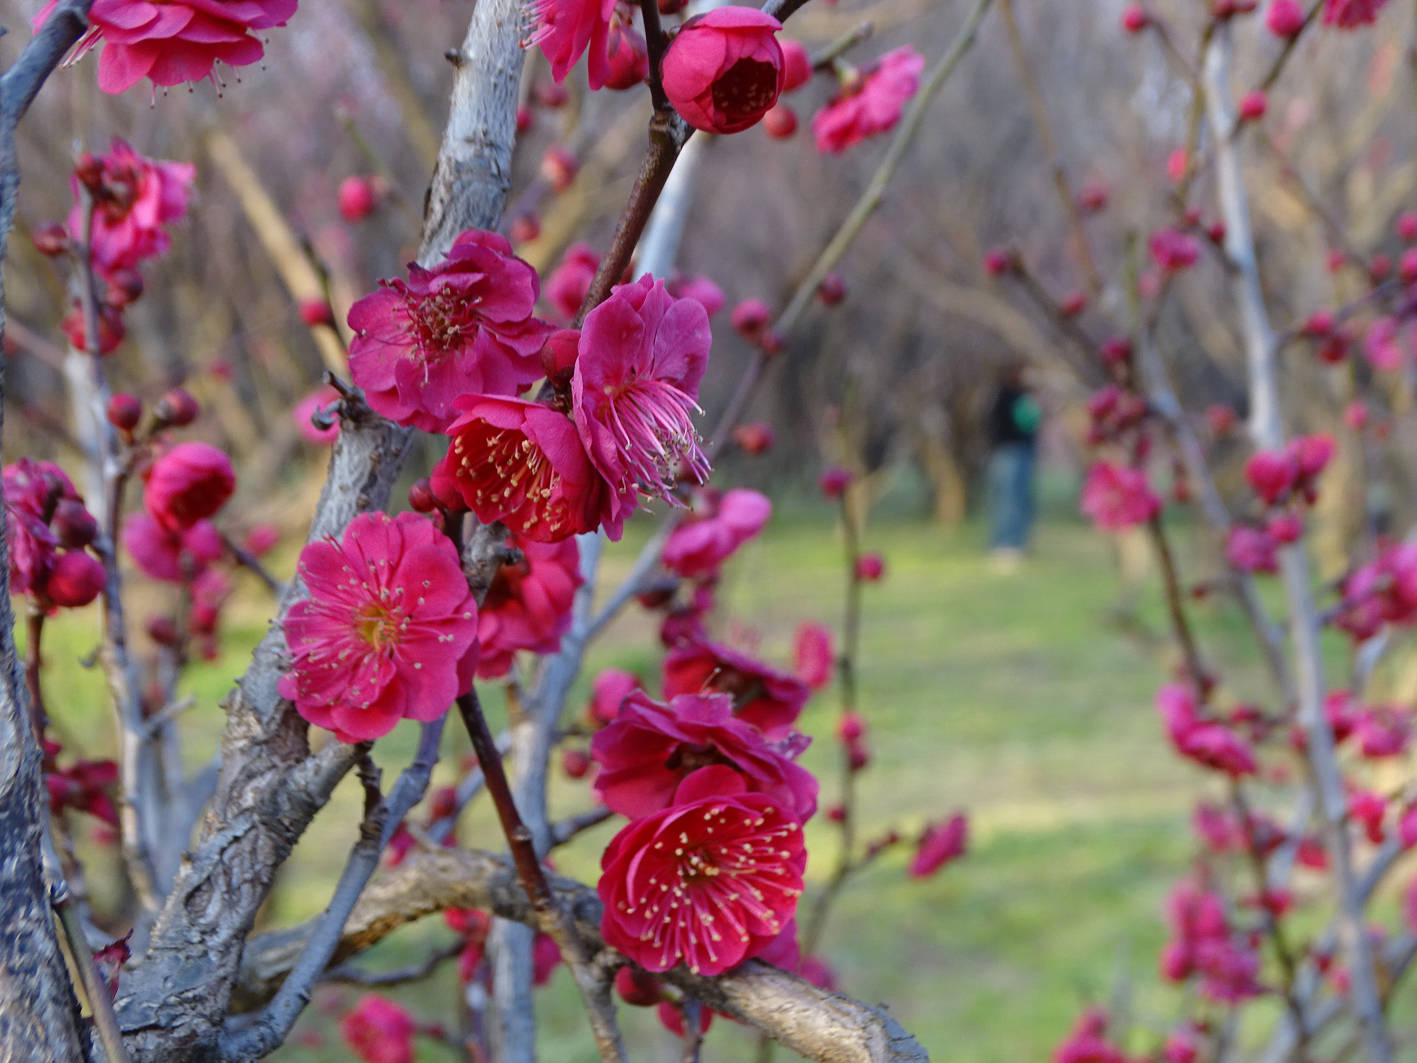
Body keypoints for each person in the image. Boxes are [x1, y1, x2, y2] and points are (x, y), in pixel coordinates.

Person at [985, 362, 1040, 561]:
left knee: (1021, 499)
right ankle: (1004, 545)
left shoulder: (1024, 396)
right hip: (1007, 453)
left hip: (1022, 452)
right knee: (1008, 500)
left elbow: (1031, 424)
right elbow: (999, 424)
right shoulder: (1004, 396)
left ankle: (1017, 544)